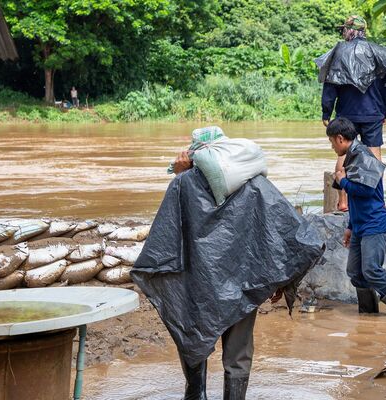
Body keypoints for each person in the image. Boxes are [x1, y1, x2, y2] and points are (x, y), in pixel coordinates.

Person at [132, 128, 325, 400]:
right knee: (238, 353)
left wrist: (179, 175)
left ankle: (196, 394)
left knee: (193, 336)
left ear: (196, 153)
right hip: (243, 284)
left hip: (197, 287)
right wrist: (280, 278)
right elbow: (289, 231)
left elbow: (167, 240)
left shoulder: (182, 184)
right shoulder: (255, 183)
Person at [327, 117, 386, 315]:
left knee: (371, 270)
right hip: (360, 225)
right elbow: (355, 199)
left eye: (331, 142)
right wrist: (350, 226)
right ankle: (369, 314)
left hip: (374, 224)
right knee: (355, 272)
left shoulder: (363, 156)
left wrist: (343, 181)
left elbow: (366, 192)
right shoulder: (352, 157)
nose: (332, 147)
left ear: (340, 139)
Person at [321, 16, 386, 212]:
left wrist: (326, 112)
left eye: (344, 30)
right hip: (373, 113)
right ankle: (379, 202)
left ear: (348, 31)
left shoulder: (338, 53)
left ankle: (343, 202)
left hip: (346, 115)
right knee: (374, 157)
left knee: (343, 153)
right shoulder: (379, 53)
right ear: (364, 31)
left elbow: (330, 85)